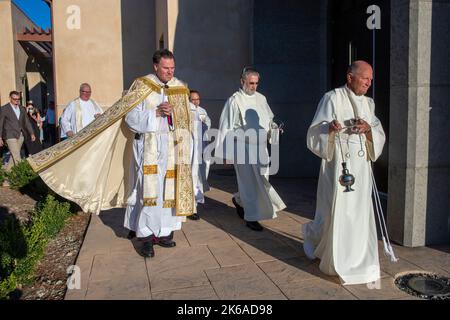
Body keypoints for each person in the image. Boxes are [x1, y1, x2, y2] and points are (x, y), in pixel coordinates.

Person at [26, 49, 196, 260]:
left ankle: (163, 232)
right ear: (155, 67)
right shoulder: (142, 85)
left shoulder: (180, 88)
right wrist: (156, 113)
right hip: (148, 148)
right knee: (147, 191)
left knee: (167, 190)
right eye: (165, 68)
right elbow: (131, 118)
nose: (170, 72)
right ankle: (145, 237)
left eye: (172, 68)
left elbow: (187, 120)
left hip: (171, 149)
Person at [302, 60, 386, 285]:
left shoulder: (369, 103)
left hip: (361, 168)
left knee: (358, 213)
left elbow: (377, 130)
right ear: (350, 77)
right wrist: (329, 129)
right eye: (365, 78)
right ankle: (331, 253)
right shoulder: (332, 98)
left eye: (371, 79)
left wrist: (368, 129)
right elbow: (314, 131)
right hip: (338, 165)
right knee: (335, 211)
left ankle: (358, 257)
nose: (369, 82)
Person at [215, 67, 286, 231]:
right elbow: (226, 126)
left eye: (256, 83)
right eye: (250, 83)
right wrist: (225, 153)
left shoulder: (261, 98)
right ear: (242, 82)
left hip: (261, 148)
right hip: (243, 148)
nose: (253, 87)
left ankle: (239, 200)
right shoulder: (234, 100)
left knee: (263, 180)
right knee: (249, 184)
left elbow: (269, 120)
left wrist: (275, 128)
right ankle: (251, 216)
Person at [188, 90, 212, 221]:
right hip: (191, 150)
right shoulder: (187, 111)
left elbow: (208, 124)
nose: (196, 102)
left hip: (202, 148)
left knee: (200, 177)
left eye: (197, 99)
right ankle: (191, 207)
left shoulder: (202, 110)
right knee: (192, 177)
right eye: (193, 99)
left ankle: (195, 204)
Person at [0, 91, 36, 173]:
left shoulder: (22, 108)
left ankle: (7, 174)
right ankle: (22, 175)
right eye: (14, 99)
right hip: (9, 135)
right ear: (10, 98)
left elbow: (27, 122)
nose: (16, 101)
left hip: (21, 135)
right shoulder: (4, 108)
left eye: (18, 99)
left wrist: (32, 133)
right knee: (17, 156)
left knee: (13, 156)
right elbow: (0, 124)